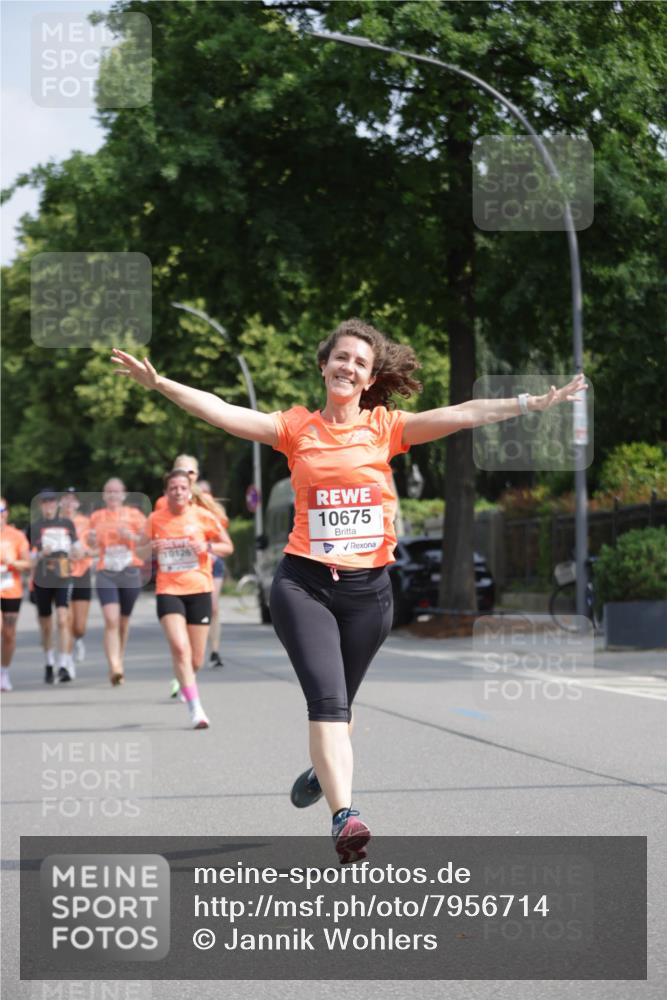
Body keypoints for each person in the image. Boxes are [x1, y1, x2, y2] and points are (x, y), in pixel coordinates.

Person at [111, 318, 586, 864]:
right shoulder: (295, 428)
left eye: (360, 363)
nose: (348, 367)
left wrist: (530, 403)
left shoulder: (386, 428)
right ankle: (346, 816)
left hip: (369, 595)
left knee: (342, 710)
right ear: (324, 366)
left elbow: (463, 414)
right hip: (304, 585)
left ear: (368, 379)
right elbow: (222, 411)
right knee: (329, 706)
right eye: (341, 358)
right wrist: (161, 384)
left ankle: (322, 768)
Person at [143, 468, 233, 729]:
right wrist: (150, 548)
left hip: (199, 588)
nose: (178, 492)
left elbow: (228, 546)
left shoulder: (203, 516)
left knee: (196, 659)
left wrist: (207, 547)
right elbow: (138, 550)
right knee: (180, 649)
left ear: (189, 491)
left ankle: (186, 680)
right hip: (169, 590)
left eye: (183, 487)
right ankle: (196, 710)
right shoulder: (155, 519)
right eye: (173, 488)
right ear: (166, 492)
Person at [88, 478, 147, 685]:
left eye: (116, 492)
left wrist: (130, 535)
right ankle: (114, 666)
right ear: (104, 496)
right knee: (111, 619)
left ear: (123, 495)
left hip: (129, 570)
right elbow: (90, 543)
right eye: (108, 492)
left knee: (123, 621)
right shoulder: (97, 517)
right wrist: (92, 539)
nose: (113, 495)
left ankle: (119, 658)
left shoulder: (135, 516)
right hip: (107, 572)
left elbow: (145, 541)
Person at [28, 488, 78, 683]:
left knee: (63, 618)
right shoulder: (34, 527)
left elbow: (78, 548)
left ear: (57, 504)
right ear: (41, 505)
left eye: (51, 502)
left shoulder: (67, 524)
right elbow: (28, 557)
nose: (48, 506)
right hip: (42, 577)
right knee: (46, 624)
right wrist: (40, 554)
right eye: (45, 502)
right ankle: (49, 662)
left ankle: (64, 664)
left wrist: (78, 552)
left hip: (63, 575)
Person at [197, 479, 231, 668]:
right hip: (195, 564)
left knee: (214, 606)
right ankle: (196, 648)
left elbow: (225, 541)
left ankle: (215, 650)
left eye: (206, 492)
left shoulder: (216, 513)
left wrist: (211, 548)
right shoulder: (189, 513)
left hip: (214, 562)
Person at [59, 488, 93, 665]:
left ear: (78, 504)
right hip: (62, 574)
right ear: (60, 502)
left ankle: (78, 639)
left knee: (79, 624)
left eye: (73, 500)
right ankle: (67, 654)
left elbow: (95, 547)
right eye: (66, 499)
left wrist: (84, 551)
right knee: (65, 618)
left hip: (82, 573)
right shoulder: (55, 523)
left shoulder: (86, 522)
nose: (69, 503)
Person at [0, 498, 31, 691]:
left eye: (1, 510)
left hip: (12, 589)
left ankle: (3, 672)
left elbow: (28, 564)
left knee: (9, 634)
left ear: (6, 513)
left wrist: (13, 562)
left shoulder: (17, 536)